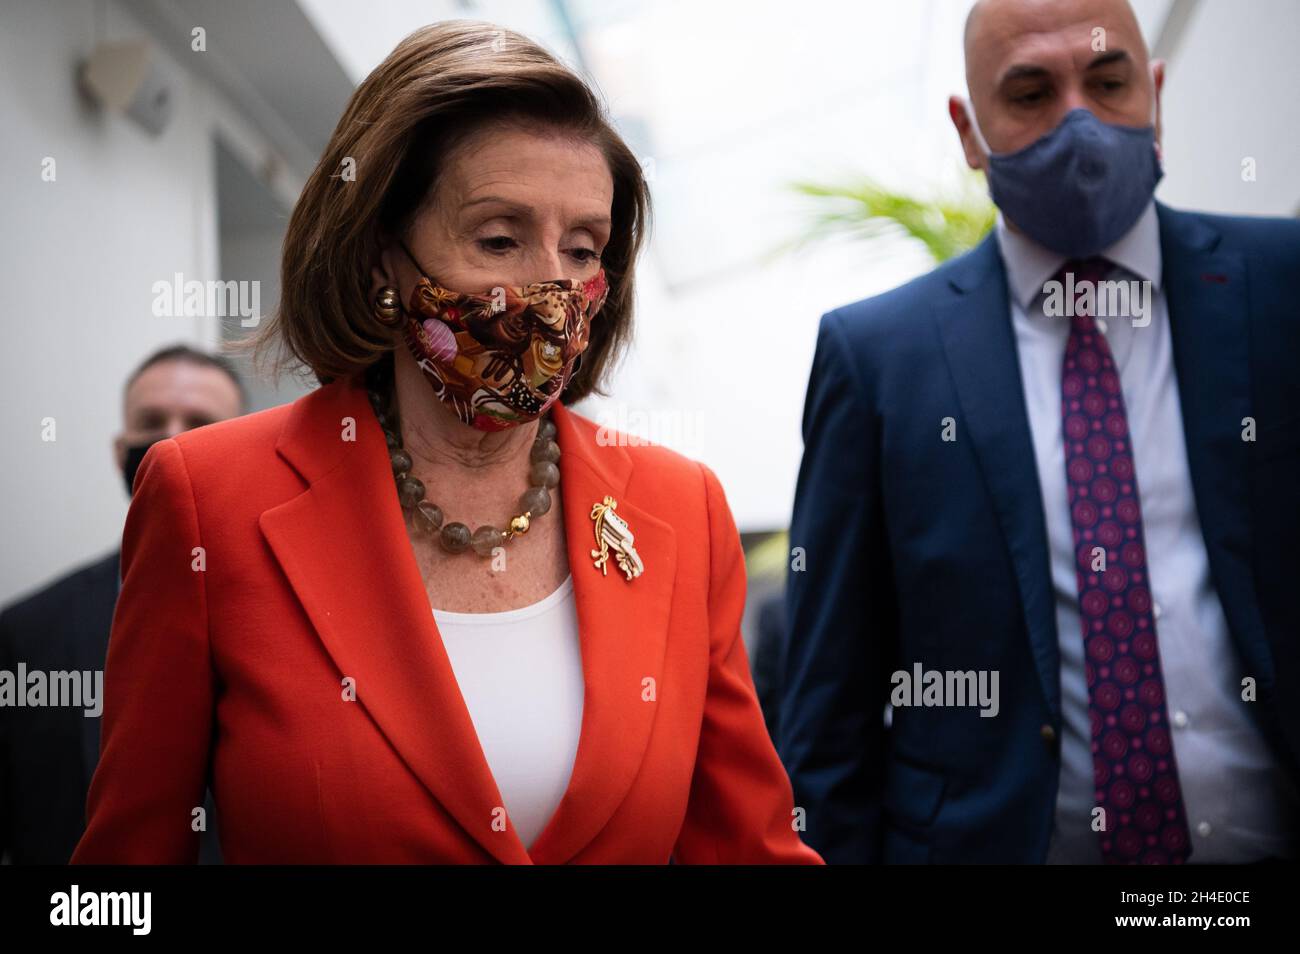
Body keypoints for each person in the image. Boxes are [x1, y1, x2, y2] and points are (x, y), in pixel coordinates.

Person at [71, 21, 821, 865]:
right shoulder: (209, 497)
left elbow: (746, 845)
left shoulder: (678, 508)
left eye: (582, 248)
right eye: (498, 237)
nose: (550, 290)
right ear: (382, 255)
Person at [780, 0, 1300, 864]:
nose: (1080, 124)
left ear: (1155, 93)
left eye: (1108, 82)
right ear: (968, 130)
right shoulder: (876, 359)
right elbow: (827, 713)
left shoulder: (1281, 287)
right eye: (1030, 92)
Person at [0, 345, 242, 864]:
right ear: (119, 451)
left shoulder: (300, 616)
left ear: (240, 452)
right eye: (152, 421)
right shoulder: (26, 632)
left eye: (199, 423)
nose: (171, 439)